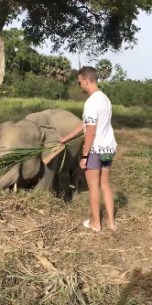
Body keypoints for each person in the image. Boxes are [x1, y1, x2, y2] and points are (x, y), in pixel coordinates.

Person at [59, 66, 117, 232]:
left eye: (79, 83)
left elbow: (90, 131)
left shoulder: (91, 103)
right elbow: (85, 123)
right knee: (105, 185)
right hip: (108, 148)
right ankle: (111, 223)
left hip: (96, 150)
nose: (80, 86)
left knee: (93, 187)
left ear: (86, 80)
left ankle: (96, 224)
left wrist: (84, 156)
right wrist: (67, 137)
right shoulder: (105, 99)